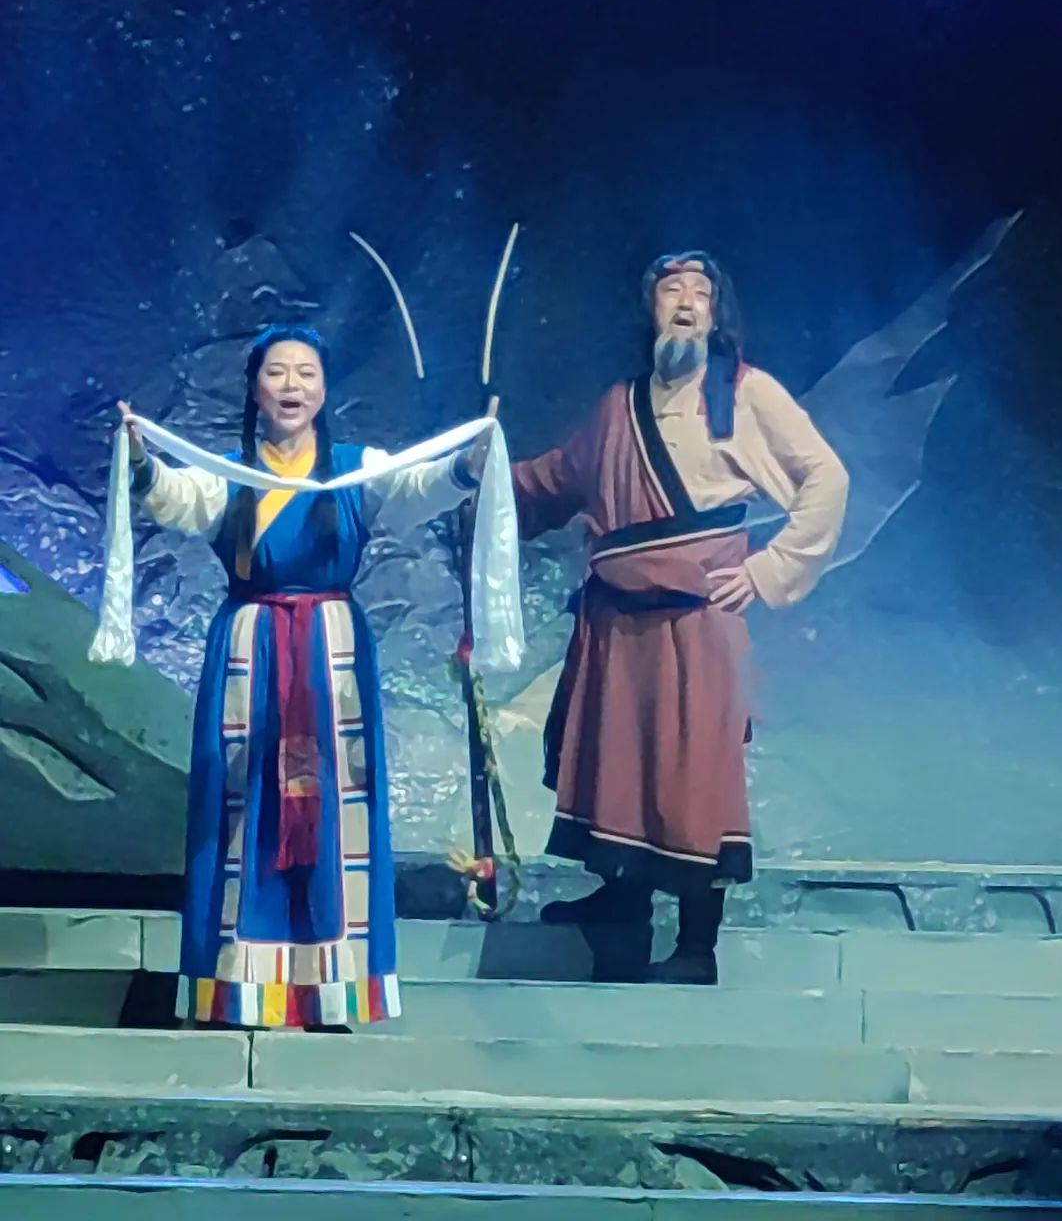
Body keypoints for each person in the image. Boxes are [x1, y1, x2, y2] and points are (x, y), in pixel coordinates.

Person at [120, 324, 487, 1029]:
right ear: (254, 389)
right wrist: (141, 459)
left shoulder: (352, 470)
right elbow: (173, 495)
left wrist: (468, 461)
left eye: (306, 373)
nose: (292, 385)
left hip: (330, 656)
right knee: (245, 810)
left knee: (332, 809)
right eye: (277, 372)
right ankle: (241, 985)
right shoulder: (230, 474)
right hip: (251, 657)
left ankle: (329, 988)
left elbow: (415, 488)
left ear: (324, 390)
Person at [511, 252, 849, 985]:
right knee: (619, 762)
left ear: (717, 314)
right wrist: (483, 481)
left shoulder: (746, 394)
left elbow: (826, 477)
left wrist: (767, 570)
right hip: (616, 623)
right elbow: (555, 478)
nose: (687, 303)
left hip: (697, 618)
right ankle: (621, 903)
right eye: (672, 291)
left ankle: (697, 946)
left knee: (695, 768)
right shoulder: (618, 405)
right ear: (652, 310)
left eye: (701, 293)